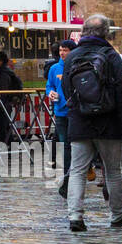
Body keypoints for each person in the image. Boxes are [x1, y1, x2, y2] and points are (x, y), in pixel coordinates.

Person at [60, 13, 122, 232]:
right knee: (112, 171)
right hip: (109, 122)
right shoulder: (111, 56)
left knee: (77, 171)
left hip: (80, 122)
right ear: (105, 33)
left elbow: (66, 90)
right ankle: (118, 214)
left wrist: (77, 112)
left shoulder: (72, 57)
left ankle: (75, 216)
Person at [46, 39, 76, 197]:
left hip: (75, 112)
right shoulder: (54, 68)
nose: (62, 53)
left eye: (65, 50)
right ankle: (67, 178)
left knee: (75, 144)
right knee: (65, 145)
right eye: (60, 51)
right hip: (60, 112)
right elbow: (49, 85)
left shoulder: (76, 67)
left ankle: (77, 173)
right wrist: (50, 93)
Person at [0, 51, 22, 143]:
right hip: (5, 104)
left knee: (2, 128)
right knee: (5, 127)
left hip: (1, 105)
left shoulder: (3, 73)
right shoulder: (6, 72)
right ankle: (8, 146)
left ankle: (2, 147)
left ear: (0, 61)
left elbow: (2, 91)